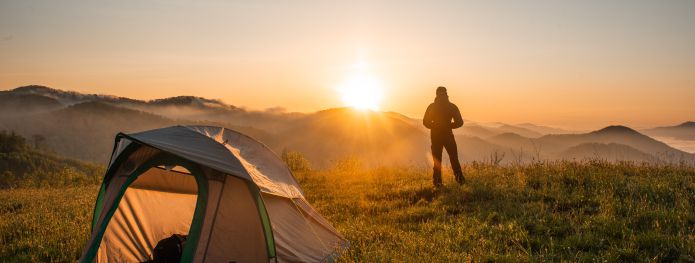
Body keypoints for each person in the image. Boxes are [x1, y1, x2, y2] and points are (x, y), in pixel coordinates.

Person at [423, 86, 465, 188]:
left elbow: (425, 122)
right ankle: (460, 181)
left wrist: (435, 126)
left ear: (436, 94)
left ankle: (437, 183)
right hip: (448, 136)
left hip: (435, 136)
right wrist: (449, 125)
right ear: (446, 93)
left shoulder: (432, 106)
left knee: (437, 161)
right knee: (454, 159)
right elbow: (460, 122)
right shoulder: (452, 106)